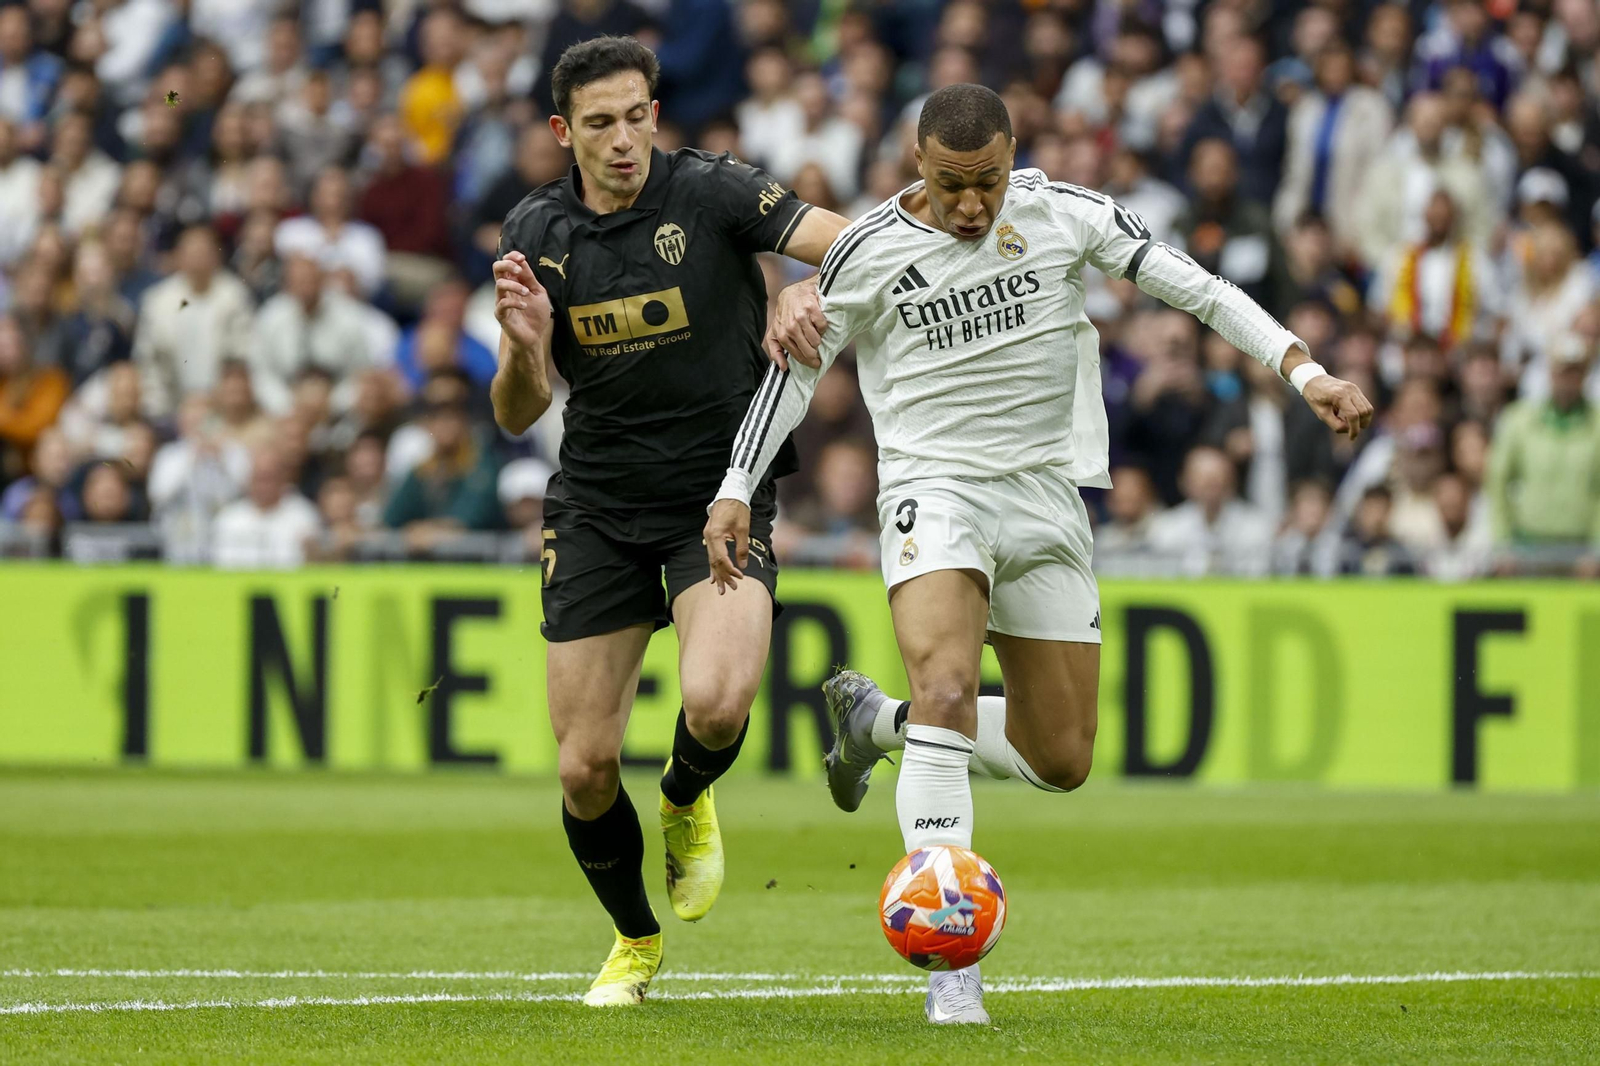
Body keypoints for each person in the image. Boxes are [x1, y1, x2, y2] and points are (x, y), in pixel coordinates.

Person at [705, 83, 1373, 1025]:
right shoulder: (866, 254)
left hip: (1047, 500)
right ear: (916, 166)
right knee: (945, 683)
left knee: (1059, 758)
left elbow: (1199, 286)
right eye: (949, 186)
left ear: (1013, 154)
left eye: (985, 182)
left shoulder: (1065, 213)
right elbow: (795, 376)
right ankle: (953, 968)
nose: (971, 205)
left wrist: (1302, 369)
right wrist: (736, 487)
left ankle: (875, 725)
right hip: (934, 493)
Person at [487, 36, 849, 1007]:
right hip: (598, 504)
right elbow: (519, 410)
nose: (621, 139)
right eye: (598, 123)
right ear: (564, 132)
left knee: (718, 701)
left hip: (719, 491)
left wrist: (817, 284)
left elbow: (852, 241)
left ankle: (685, 795)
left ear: (655, 112)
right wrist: (524, 350)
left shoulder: (714, 191)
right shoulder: (537, 229)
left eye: (635, 115)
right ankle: (633, 939)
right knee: (583, 764)